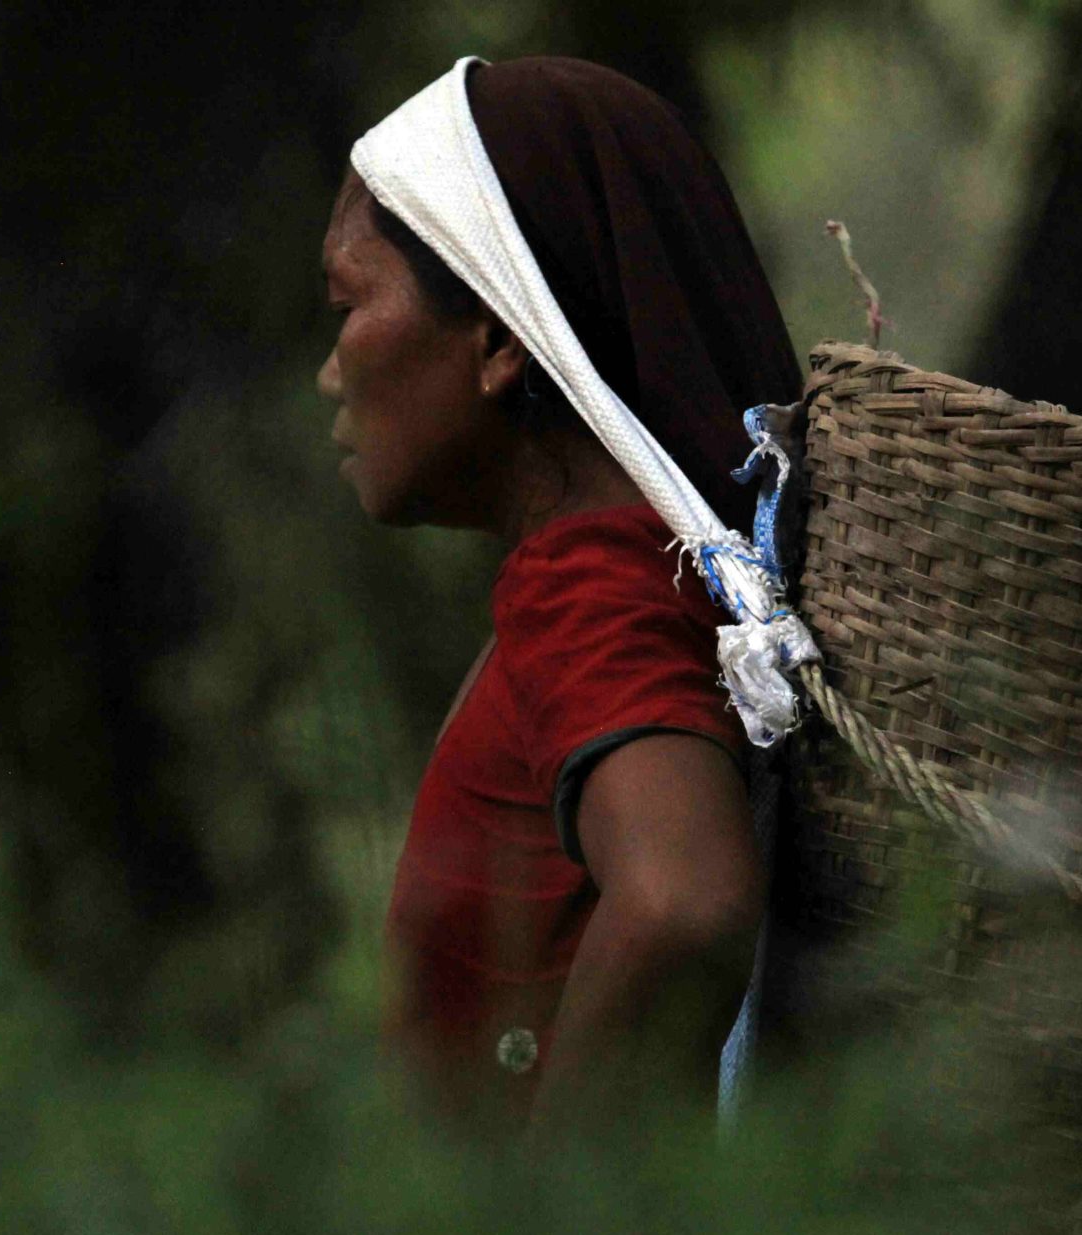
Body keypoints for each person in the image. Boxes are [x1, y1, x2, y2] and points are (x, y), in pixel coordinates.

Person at [316, 56, 803, 1136]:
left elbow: (684, 900)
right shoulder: (649, 569)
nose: (329, 371)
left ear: (494, 338)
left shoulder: (587, 581)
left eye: (348, 304)